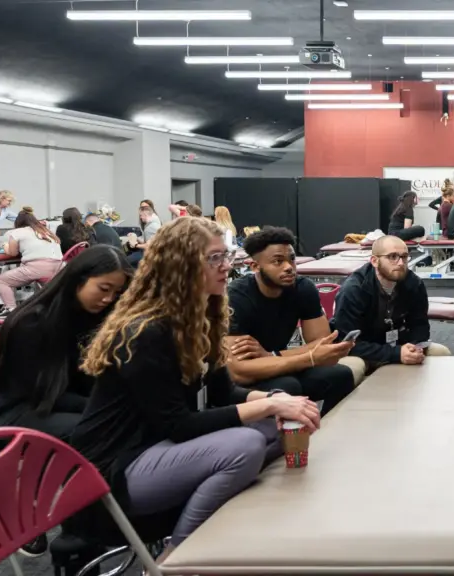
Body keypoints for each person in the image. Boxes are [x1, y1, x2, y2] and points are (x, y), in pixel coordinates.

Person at [71, 217, 319, 561]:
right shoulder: (146, 332)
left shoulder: (204, 317)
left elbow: (224, 395)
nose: (225, 266)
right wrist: (269, 406)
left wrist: (276, 400)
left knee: (273, 424)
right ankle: (176, 559)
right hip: (113, 472)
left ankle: (231, 522)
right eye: (214, 258)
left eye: (225, 256)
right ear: (182, 265)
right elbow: (178, 425)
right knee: (245, 442)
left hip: (160, 452)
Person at [0, 246, 133, 446]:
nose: (109, 299)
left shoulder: (91, 317)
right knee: (110, 429)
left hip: (53, 405)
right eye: (104, 289)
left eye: (117, 293)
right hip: (15, 414)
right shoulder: (32, 323)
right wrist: (102, 405)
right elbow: (37, 392)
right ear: (78, 280)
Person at [226, 227, 356, 409]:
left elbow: (323, 345)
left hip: (277, 364)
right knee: (288, 387)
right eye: (278, 261)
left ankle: (320, 431)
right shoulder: (236, 297)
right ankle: (286, 436)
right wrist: (308, 356)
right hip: (242, 381)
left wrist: (272, 355)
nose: (288, 267)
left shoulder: (303, 288)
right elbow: (239, 372)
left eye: (292, 259)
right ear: (254, 266)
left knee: (340, 375)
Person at [333, 236, 451, 383]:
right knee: (352, 368)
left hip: (400, 345)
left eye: (404, 257)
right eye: (392, 257)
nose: (401, 263)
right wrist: (395, 354)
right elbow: (347, 344)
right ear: (375, 261)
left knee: (441, 353)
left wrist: (412, 347)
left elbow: (420, 326)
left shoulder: (414, 284)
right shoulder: (353, 290)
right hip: (365, 352)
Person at [0, 207, 64, 317]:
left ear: (18, 222)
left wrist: (4, 245)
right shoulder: (47, 232)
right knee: (50, 291)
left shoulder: (17, 232)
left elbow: (12, 253)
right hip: (58, 267)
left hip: (37, 268)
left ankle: (10, 309)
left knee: (1, 280)